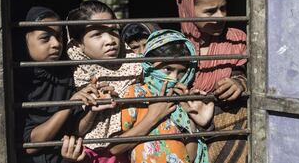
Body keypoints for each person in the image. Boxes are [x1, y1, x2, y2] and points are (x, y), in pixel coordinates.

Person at [61, 30, 214, 163]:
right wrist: (153, 117)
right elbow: (115, 148)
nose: (174, 78)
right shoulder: (136, 94)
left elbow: (191, 156)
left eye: (181, 73)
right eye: (168, 69)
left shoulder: (181, 101)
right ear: (149, 65)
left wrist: (192, 120)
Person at [176, 0, 248, 163]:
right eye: (210, 11)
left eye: (223, 8)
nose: (220, 17)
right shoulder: (173, 46)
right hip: (184, 127)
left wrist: (239, 83)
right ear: (188, 10)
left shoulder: (236, 39)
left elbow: (252, 75)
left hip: (228, 129)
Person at [18, 6, 100, 163]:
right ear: (25, 40)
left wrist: (93, 109)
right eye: (45, 38)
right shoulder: (17, 82)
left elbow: (75, 129)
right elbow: (30, 145)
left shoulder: (67, 73)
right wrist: (68, 105)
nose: (56, 44)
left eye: (59, 36)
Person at [66, 1, 142, 162]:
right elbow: (74, 130)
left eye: (113, 30)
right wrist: (93, 110)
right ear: (79, 44)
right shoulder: (71, 76)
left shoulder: (138, 66)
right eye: (97, 34)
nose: (110, 40)